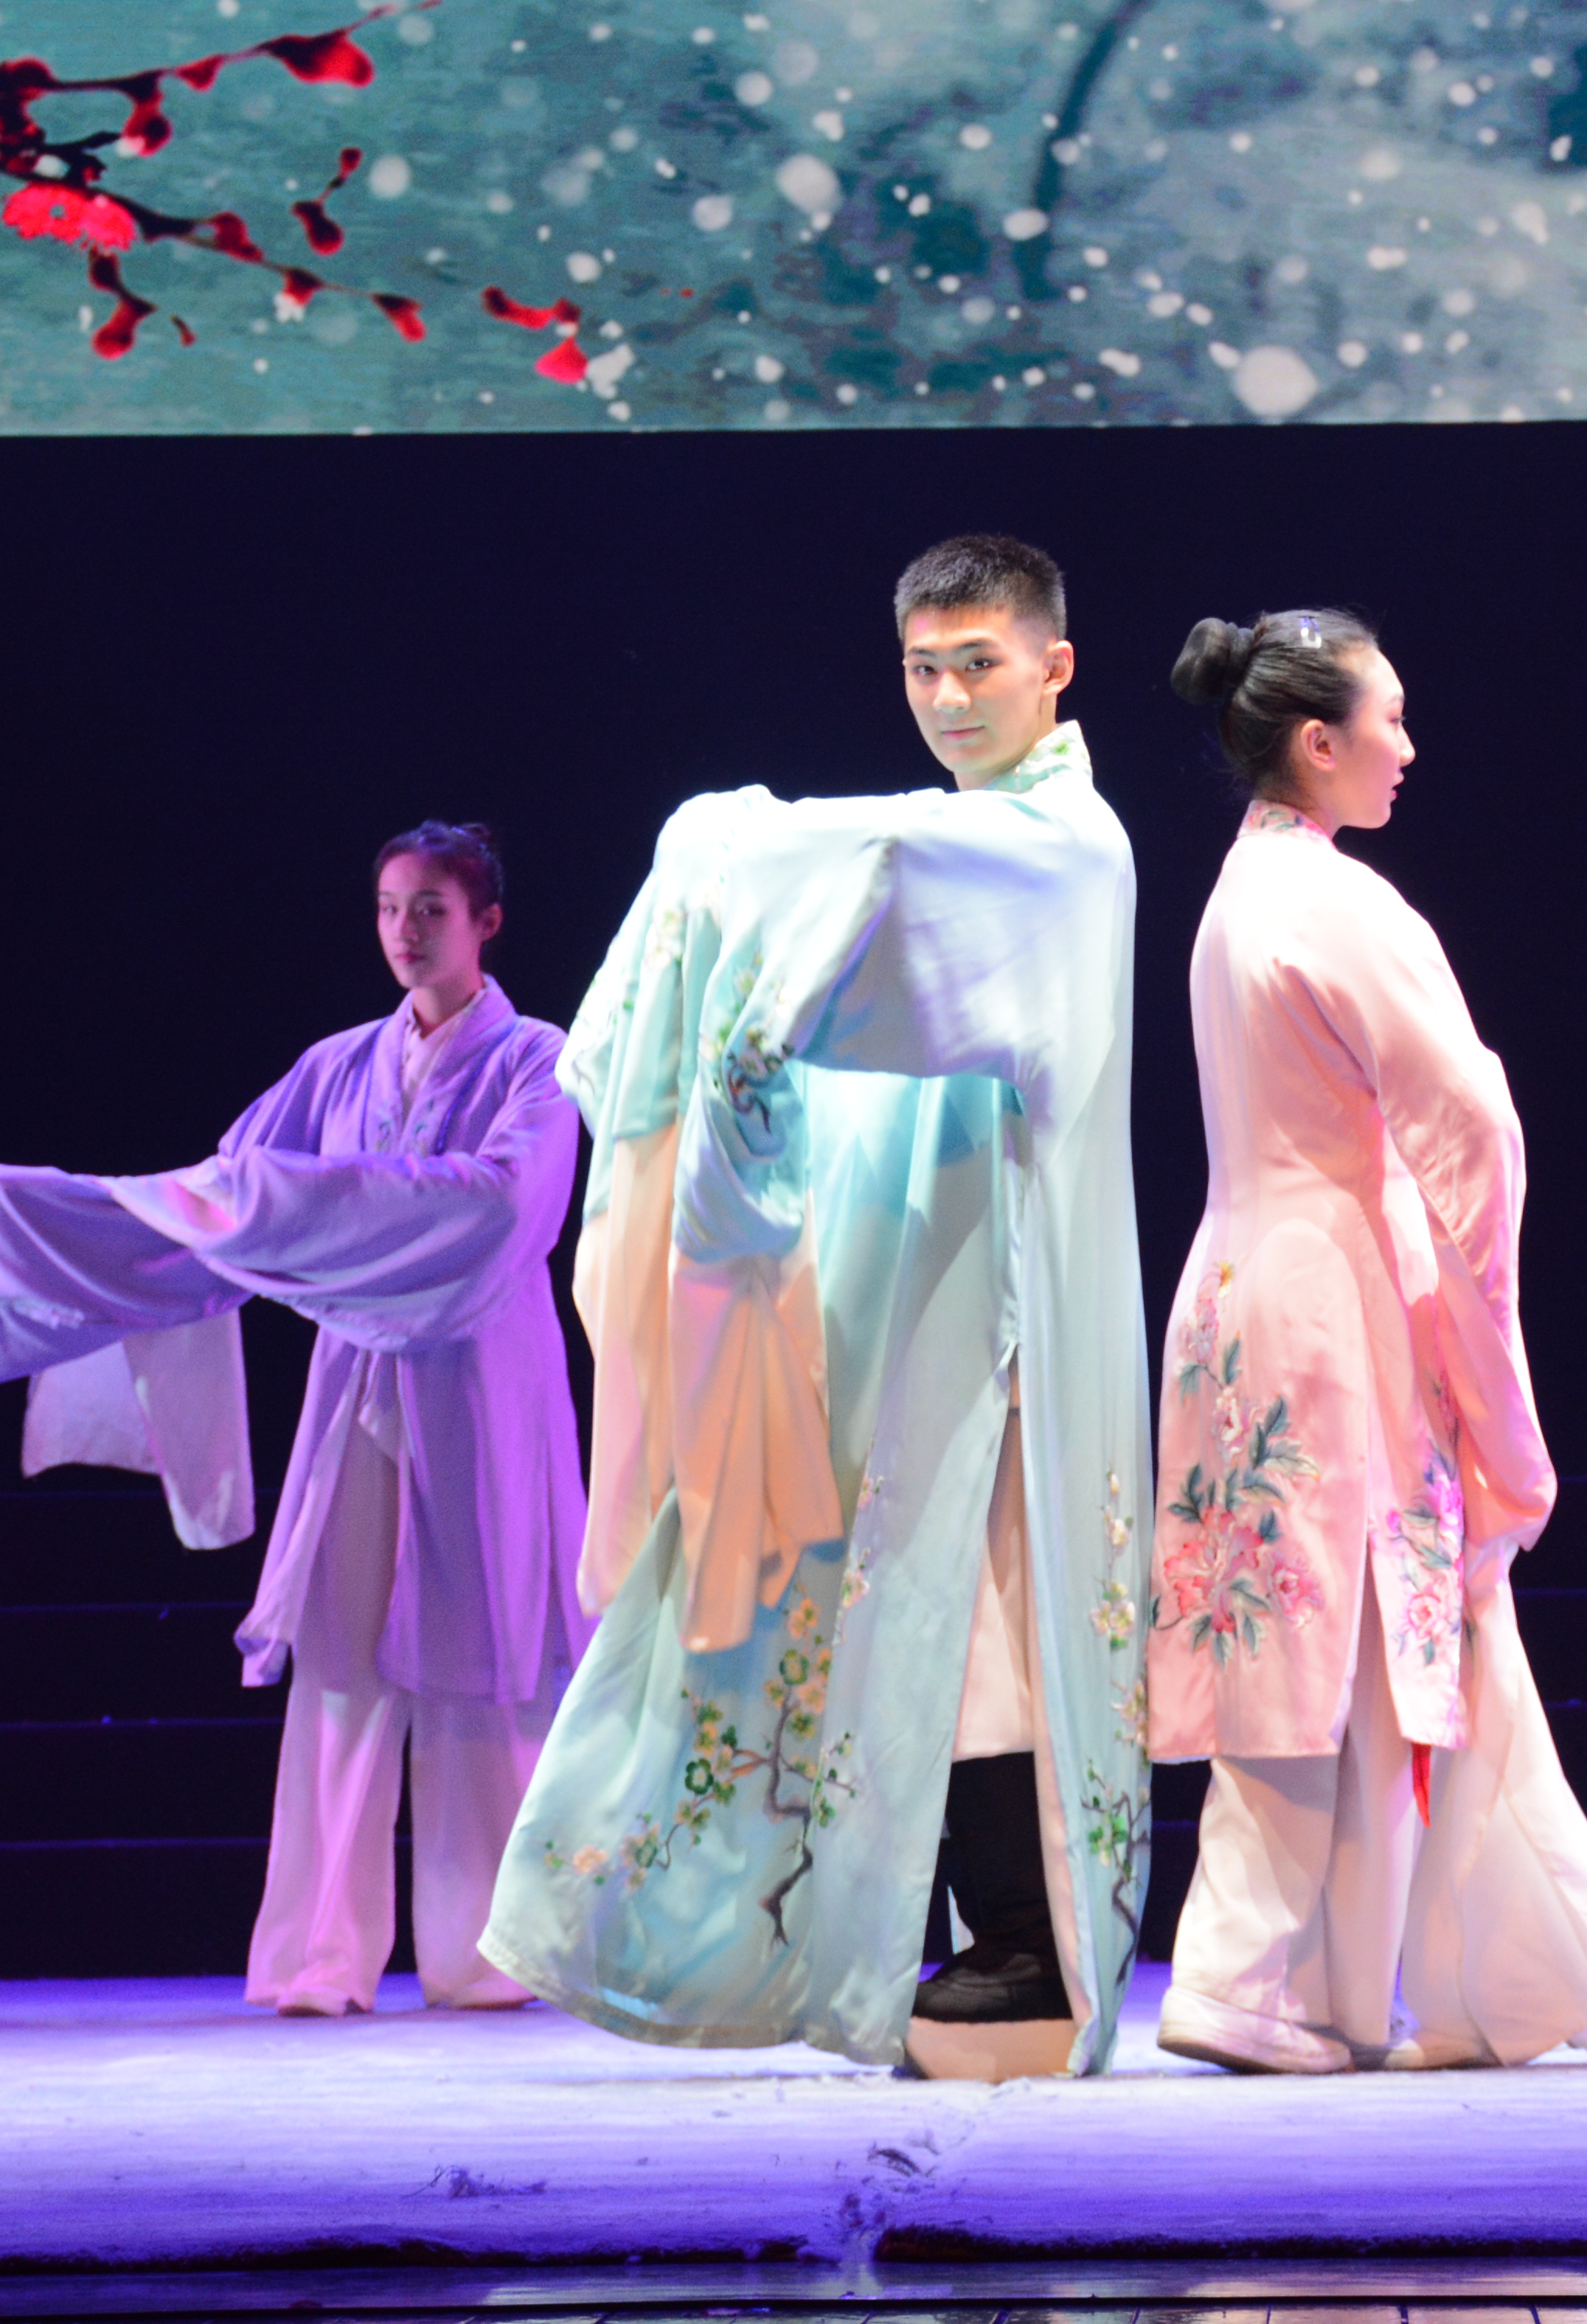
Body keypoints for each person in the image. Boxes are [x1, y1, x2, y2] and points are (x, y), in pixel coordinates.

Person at [480, 535, 1150, 2081]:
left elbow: (887, 871)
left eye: (979, 663)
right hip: (922, 1284)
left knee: (989, 1615)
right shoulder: (990, 828)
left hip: (1007, 1299)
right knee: (912, 1612)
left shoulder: (1067, 845)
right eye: (923, 668)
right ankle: (906, 1932)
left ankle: (1027, 1940)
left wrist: (731, 840)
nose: (949, 695)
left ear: (1055, 667)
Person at [0, 823, 588, 2015]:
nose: (404, 930)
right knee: (339, 1661)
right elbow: (224, 1199)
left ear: (486, 921)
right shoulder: (338, 1066)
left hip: (481, 1386)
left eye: (431, 908)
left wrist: (307, 1209)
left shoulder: (537, 1061)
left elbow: (499, 1213)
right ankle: (320, 1954)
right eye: (389, 907)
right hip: (358, 1389)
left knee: (481, 1660)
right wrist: (60, 1231)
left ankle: (487, 1952)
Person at [1144, 608, 1587, 2074]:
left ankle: (1313, 1982)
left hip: (1239, 1281)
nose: (1409, 746)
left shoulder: (1241, 891)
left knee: (1309, 1630)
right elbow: (1473, 1124)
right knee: (1350, 1636)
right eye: (1389, 718)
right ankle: (1260, 1977)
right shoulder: (1336, 900)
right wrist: (1478, 1313)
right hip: (1333, 1296)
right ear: (1319, 743)